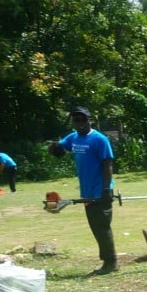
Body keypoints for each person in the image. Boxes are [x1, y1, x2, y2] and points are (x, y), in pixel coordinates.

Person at [49, 106, 118, 275]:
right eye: (76, 120)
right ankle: (107, 260)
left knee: (102, 227)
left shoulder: (99, 140)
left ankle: (111, 262)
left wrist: (106, 189)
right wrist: (54, 147)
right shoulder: (73, 138)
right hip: (86, 192)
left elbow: (107, 164)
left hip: (100, 191)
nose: (79, 123)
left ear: (89, 120)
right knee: (95, 226)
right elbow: (61, 147)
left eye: (82, 119)